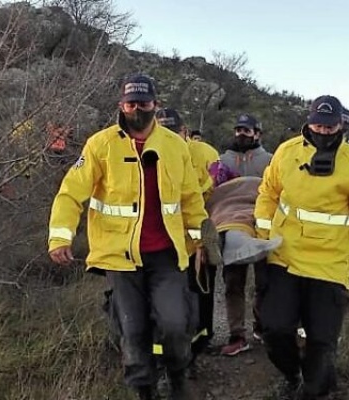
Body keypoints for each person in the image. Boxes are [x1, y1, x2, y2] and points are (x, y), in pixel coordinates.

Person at [47, 74, 220, 400]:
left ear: (155, 104)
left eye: (143, 103)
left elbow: (190, 199)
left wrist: (201, 239)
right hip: (120, 257)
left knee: (173, 323)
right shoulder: (100, 144)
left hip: (167, 255)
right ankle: (145, 391)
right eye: (131, 104)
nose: (137, 109)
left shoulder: (174, 145)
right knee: (133, 330)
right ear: (121, 105)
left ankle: (178, 377)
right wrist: (60, 237)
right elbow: (70, 192)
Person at [254, 95, 349, 399]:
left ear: (341, 125)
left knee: (322, 342)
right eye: (318, 124)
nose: (323, 130)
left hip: (330, 265)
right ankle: (292, 373)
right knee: (274, 329)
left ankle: (313, 388)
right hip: (285, 256)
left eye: (330, 126)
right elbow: (267, 194)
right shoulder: (287, 152)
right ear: (308, 121)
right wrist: (262, 237)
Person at [154, 107, 220, 379]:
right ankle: (162, 360)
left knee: (200, 299)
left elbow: (215, 192)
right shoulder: (148, 152)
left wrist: (204, 243)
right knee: (163, 306)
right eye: (163, 130)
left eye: (174, 130)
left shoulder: (206, 154)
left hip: (197, 239)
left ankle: (196, 350)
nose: (169, 136)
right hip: (162, 245)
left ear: (185, 131)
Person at [218, 113, 273, 356]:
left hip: (261, 225)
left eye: (247, 130)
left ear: (257, 134)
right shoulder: (222, 160)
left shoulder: (271, 160)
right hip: (231, 226)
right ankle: (237, 335)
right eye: (238, 129)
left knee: (265, 283)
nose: (241, 133)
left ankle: (261, 327)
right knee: (233, 283)